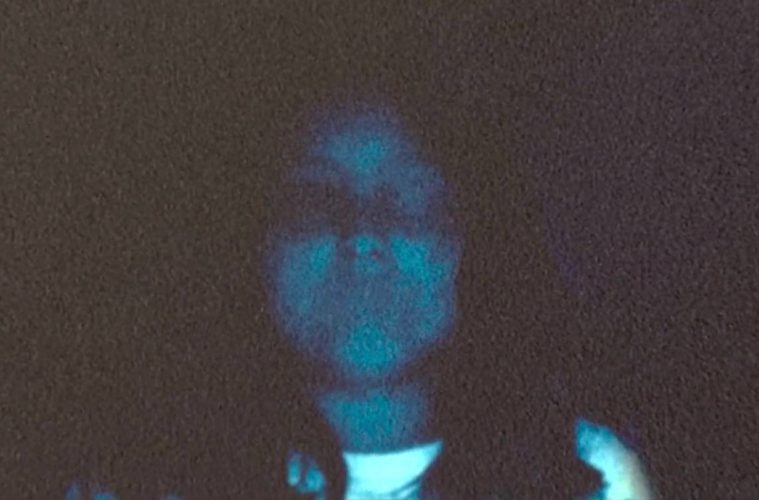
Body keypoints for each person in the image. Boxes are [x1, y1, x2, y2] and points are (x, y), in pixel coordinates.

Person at [62, 99, 655, 499]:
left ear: (466, 242)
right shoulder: (139, 481)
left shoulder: (590, 476)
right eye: (319, 200)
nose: (364, 233)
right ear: (259, 244)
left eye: (408, 199)